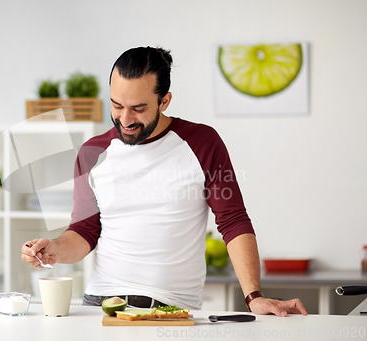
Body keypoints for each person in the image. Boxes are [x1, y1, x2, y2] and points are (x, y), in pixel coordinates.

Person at [21, 46, 307, 316]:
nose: (125, 119)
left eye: (139, 108)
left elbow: (232, 220)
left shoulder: (203, 143)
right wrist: (56, 248)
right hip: (101, 305)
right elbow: (85, 230)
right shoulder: (92, 153)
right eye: (117, 105)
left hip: (171, 310)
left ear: (165, 100)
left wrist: (253, 296)